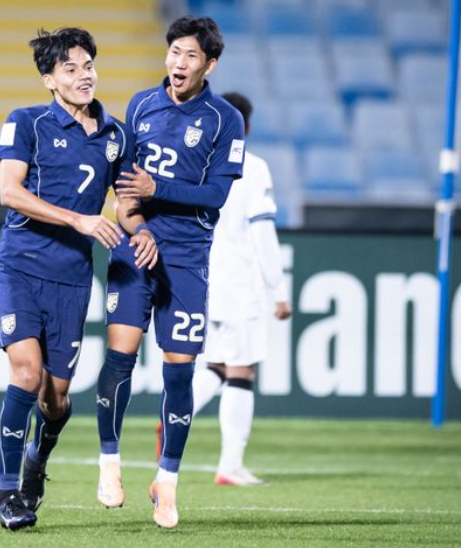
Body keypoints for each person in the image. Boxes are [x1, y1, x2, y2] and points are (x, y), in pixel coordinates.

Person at [0, 27, 157, 531]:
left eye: (88, 66)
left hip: (72, 279)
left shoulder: (117, 135)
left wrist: (141, 229)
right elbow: (9, 192)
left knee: (56, 399)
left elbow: (125, 204)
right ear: (49, 80)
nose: (84, 76)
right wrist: (78, 220)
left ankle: (37, 458)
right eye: (70, 69)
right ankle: (9, 494)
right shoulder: (26, 123)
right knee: (26, 373)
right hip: (20, 266)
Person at [95, 16, 245, 529]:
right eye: (174, 52)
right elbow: (124, 192)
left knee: (179, 372)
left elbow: (217, 194)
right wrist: (139, 229)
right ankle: (109, 464)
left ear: (210, 65)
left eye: (190, 56)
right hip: (135, 248)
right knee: (120, 356)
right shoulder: (140, 105)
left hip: (186, 258)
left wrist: (158, 189)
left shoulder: (225, 120)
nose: (178, 63)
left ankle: (167, 481)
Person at [189, 91, 292, 486]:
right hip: (238, 284)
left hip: (201, 281)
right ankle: (230, 465)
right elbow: (262, 231)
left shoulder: (196, 164)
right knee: (241, 370)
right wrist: (278, 289)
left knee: (217, 363)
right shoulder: (253, 167)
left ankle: (176, 413)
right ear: (245, 127)